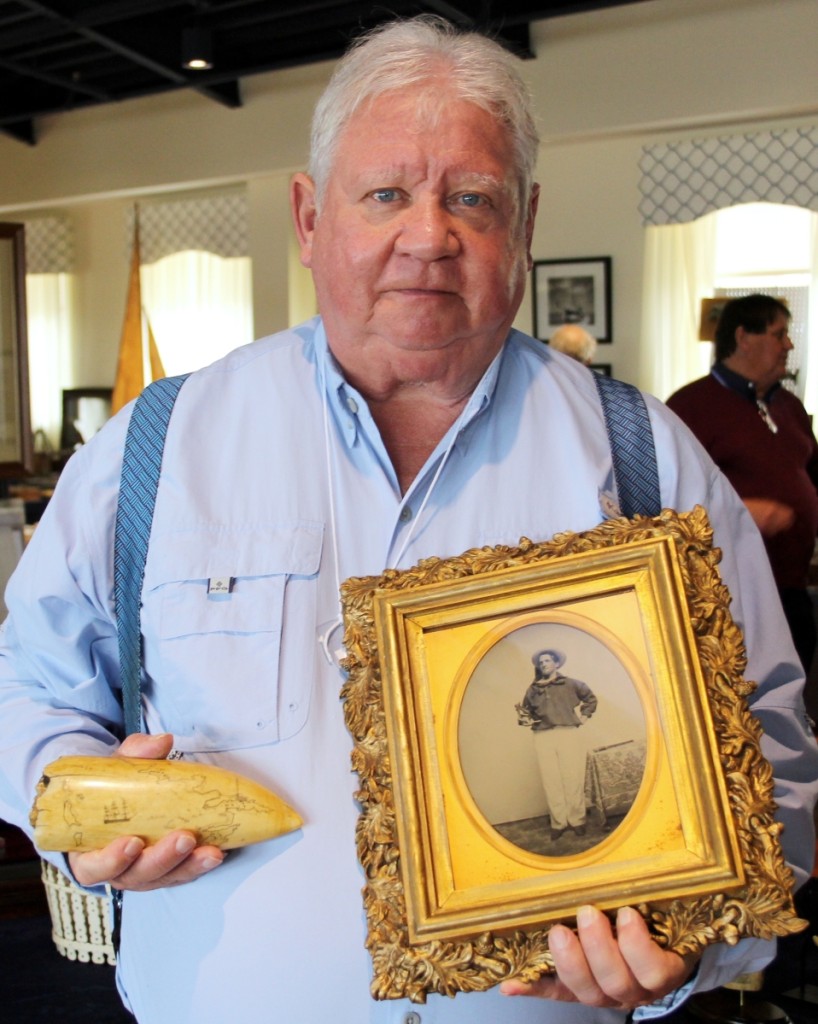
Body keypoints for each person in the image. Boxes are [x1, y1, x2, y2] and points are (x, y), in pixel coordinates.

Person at [0, 16, 816, 1024]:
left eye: (469, 198)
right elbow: (28, 683)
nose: (427, 234)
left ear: (523, 221)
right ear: (307, 217)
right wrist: (69, 804)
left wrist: (694, 945)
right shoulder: (158, 447)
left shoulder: (639, 458)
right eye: (384, 192)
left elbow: (769, 747)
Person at [666, 294, 818, 705]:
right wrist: (740, 513)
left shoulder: (788, 406)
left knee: (794, 709)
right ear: (743, 337)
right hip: (732, 598)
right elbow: (665, 504)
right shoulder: (690, 407)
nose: (788, 345)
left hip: (792, 589)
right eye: (779, 334)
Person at [517, 649, 597, 840]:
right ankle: (558, 823)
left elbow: (590, 698)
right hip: (542, 736)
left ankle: (577, 821)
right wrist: (525, 720)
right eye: (541, 662)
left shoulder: (570, 683)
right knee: (550, 779)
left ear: (557, 664)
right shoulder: (533, 689)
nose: (544, 664)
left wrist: (583, 717)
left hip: (567, 733)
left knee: (572, 776)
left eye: (547, 660)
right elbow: (524, 714)